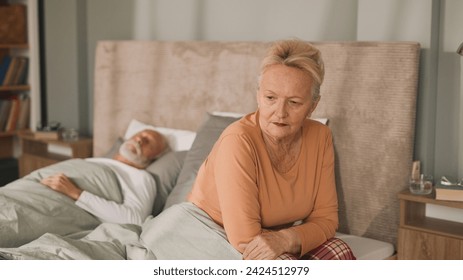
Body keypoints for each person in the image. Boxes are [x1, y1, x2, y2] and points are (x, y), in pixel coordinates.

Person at [187, 39, 354, 260]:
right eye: (270, 98)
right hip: (211, 239)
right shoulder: (238, 140)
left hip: (273, 238)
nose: (280, 112)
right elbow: (245, 240)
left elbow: (327, 219)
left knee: (340, 250)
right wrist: (289, 241)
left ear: (313, 106)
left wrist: (287, 239)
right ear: (258, 96)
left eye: (294, 102)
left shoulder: (320, 136)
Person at [40, 129, 168, 226]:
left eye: (148, 142)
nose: (139, 140)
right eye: (139, 135)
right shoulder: (95, 160)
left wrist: (76, 194)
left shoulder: (140, 176)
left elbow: (134, 220)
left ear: (155, 156)